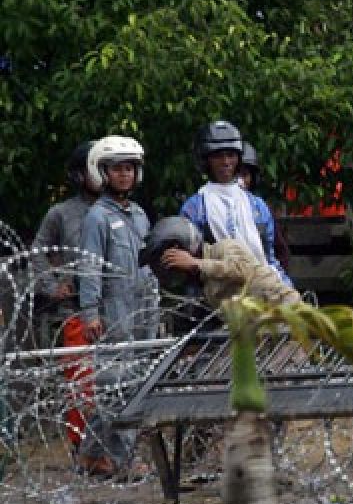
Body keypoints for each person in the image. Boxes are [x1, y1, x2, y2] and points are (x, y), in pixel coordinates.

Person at [78, 135, 159, 478]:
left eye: (130, 168)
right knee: (114, 384)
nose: (124, 175)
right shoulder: (97, 217)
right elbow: (90, 266)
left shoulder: (139, 215)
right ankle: (108, 456)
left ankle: (106, 456)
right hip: (114, 310)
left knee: (136, 382)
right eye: (117, 169)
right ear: (103, 173)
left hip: (144, 307)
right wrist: (90, 312)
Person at [31, 141, 97, 451]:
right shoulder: (62, 213)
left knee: (117, 378)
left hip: (118, 305)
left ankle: (114, 446)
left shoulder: (126, 212)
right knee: (81, 379)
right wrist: (53, 285)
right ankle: (83, 446)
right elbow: (38, 251)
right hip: (77, 309)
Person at [181, 121, 288, 284]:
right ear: (206, 160)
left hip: (260, 290)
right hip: (216, 295)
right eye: (218, 156)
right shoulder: (195, 207)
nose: (226, 162)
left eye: (231, 155)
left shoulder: (257, 205)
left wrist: (285, 290)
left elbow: (270, 257)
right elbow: (190, 260)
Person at [142, 217, 301, 309]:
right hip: (261, 329)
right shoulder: (207, 287)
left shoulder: (223, 248)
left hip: (285, 315)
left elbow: (243, 270)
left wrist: (196, 263)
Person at [236, 142, 292, 284]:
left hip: (262, 281)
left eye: (244, 175)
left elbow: (279, 252)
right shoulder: (203, 205)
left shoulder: (260, 209)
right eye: (236, 175)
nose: (240, 181)